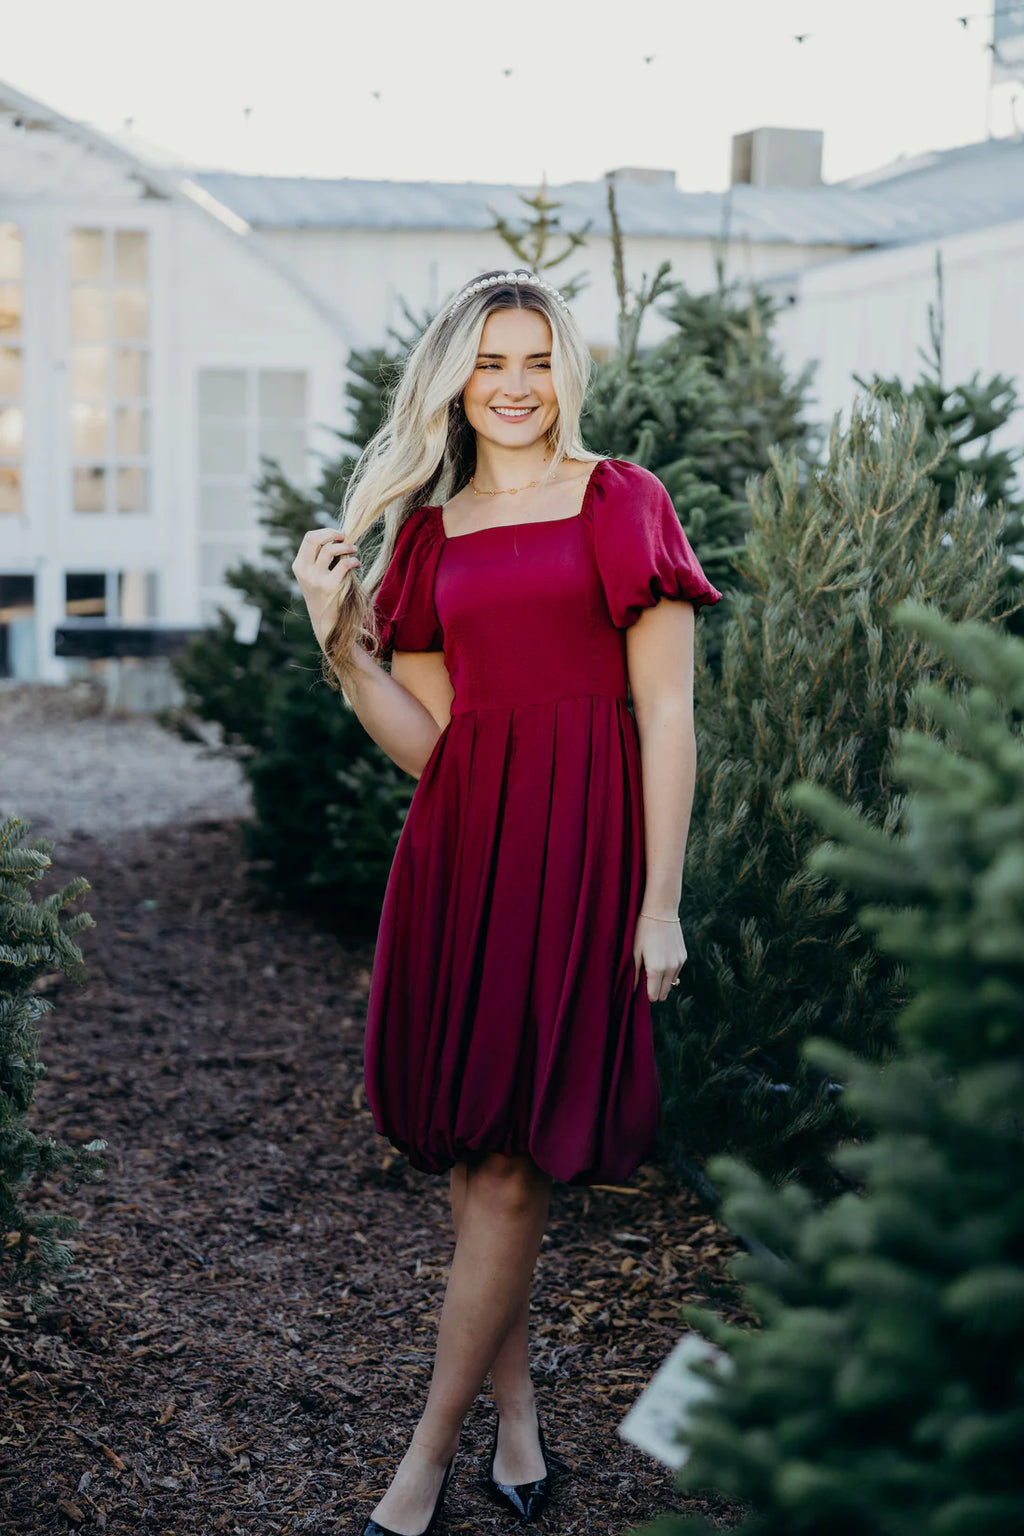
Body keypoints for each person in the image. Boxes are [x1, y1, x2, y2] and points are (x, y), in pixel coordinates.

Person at [292, 269, 722, 1536]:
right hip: (469, 857)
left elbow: (667, 713)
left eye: (537, 359)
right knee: (490, 1156)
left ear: (564, 371)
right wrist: (340, 642)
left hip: (589, 857)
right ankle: (518, 1417)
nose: (518, 385)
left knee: (513, 1171)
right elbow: (433, 744)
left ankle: (424, 1460)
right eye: (491, 363)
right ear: (455, 381)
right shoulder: (427, 535)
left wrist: (658, 901)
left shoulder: (620, 500)